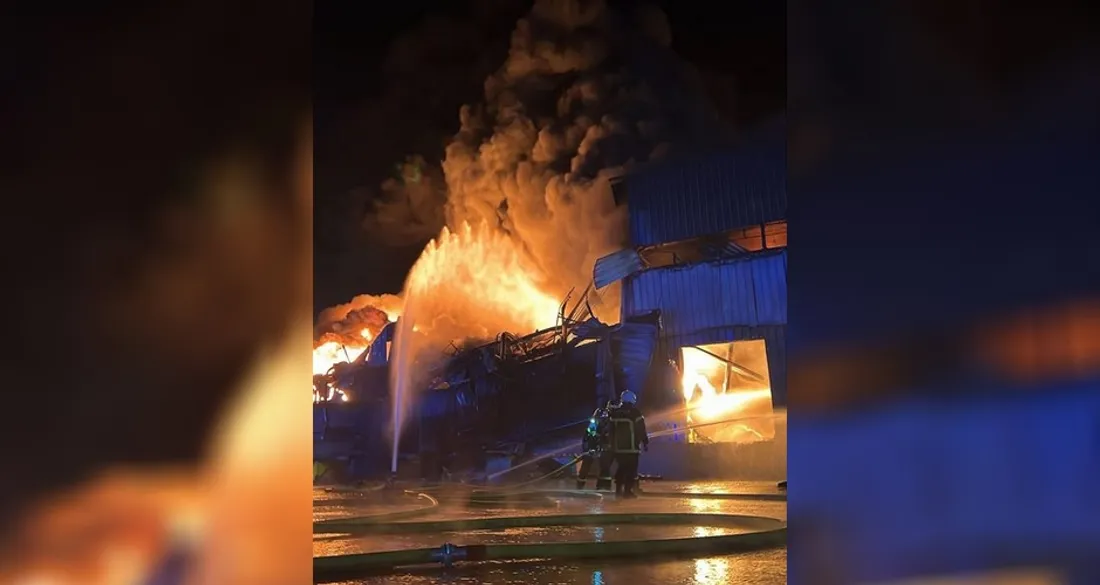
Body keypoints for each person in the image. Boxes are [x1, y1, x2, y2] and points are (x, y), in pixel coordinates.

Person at [609, 390, 649, 498]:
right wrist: (645, 442)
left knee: (621, 468)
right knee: (631, 470)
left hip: (618, 449)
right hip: (632, 448)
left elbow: (611, 430)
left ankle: (618, 491)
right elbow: (641, 429)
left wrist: (611, 445)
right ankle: (627, 492)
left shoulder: (615, 413)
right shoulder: (635, 413)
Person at [576, 401, 615, 490]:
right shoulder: (600, 415)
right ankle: (579, 487)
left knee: (605, 467)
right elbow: (591, 431)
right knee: (587, 465)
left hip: (603, 446)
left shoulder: (614, 418)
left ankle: (603, 487)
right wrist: (591, 446)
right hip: (592, 444)